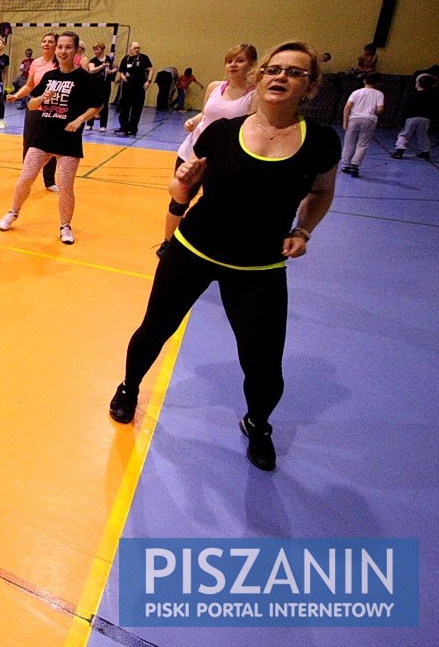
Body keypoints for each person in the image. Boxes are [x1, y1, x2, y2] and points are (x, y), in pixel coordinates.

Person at [108, 42, 340, 472]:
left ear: (309, 87)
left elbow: (322, 191)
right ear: (260, 76)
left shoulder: (321, 141)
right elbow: (183, 191)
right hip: (194, 249)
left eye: (294, 72)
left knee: (263, 361)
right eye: (274, 69)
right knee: (154, 329)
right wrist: (182, 182)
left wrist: (304, 229)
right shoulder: (222, 133)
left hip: (259, 265)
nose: (281, 77)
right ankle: (129, 387)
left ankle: (257, 422)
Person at [0, 32, 102, 244]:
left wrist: (79, 120)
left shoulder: (84, 77)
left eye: (67, 47)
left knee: (65, 186)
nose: (63, 51)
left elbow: (97, 104)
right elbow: (31, 105)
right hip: (43, 137)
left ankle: (65, 226)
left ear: (75, 51)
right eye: (60, 47)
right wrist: (40, 98)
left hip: (68, 141)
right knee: (25, 178)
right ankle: (12, 212)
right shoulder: (49, 77)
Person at [160, 44, 258, 254]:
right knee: (179, 199)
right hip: (191, 153)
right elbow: (206, 113)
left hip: (222, 160)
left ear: (251, 64)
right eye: (229, 60)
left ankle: (208, 248)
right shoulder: (215, 87)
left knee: (216, 206)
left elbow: (251, 129)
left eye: (239, 60)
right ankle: (168, 244)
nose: (233, 65)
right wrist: (193, 121)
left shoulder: (254, 95)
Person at [7, 32, 60, 190]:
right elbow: (29, 85)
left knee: (50, 146)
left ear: (56, 45)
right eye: (44, 41)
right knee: (28, 143)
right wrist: (16, 96)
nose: (46, 44)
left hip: (52, 111)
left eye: (50, 41)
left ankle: (49, 181)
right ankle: (27, 176)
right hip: (34, 107)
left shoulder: (60, 65)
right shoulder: (36, 63)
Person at [340, 72, 384, 177]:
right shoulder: (379, 94)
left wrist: (345, 121)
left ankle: (345, 164)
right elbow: (380, 109)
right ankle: (355, 165)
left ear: (364, 81)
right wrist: (376, 112)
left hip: (354, 119)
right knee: (362, 144)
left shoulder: (356, 92)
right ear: (377, 83)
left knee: (349, 143)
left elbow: (347, 107)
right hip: (369, 120)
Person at [391, 74, 436, 161]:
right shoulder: (432, 96)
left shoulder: (412, 94)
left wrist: (400, 119)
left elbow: (405, 107)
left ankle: (399, 150)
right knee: (423, 135)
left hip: (411, 117)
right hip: (425, 118)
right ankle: (425, 151)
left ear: (418, 84)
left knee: (404, 134)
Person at [115, 42, 153, 136]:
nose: (137, 49)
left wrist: (148, 81)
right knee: (124, 108)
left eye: (138, 48)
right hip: (127, 87)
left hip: (139, 88)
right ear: (130, 48)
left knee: (136, 109)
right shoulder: (126, 59)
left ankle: (133, 129)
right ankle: (124, 127)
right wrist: (122, 76)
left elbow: (151, 69)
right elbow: (121, 71)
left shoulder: (143, 58)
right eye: (135, 48)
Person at [83, 42, 115, 130]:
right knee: (92, 104)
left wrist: (112, 71)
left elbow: (115, 67)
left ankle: (103, 125)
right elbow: (92, 70)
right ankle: (89, 123)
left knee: (104, 104)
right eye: (94, 50)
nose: (95, 51)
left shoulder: (109, 59)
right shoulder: (93, 60)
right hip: (95, 85)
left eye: (97, 49)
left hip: (106, 85)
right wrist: (102, 66)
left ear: (102, 49)